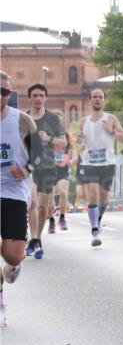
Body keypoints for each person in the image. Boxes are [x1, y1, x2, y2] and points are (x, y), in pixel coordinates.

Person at [1, 71, 37, 328]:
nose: (0, 96)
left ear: (9, 94)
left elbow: (41, 154)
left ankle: (12, 266)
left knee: (13, 256)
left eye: (4, 92)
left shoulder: (22, 121)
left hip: (14, 192)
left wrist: (26, 170)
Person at [76, 89, 123, 246]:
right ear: (90, 100)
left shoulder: (111, 118)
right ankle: (94, 231)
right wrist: (79, 139)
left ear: (104, 100)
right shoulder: (84, 121)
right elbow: (80, 140)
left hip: (107, 163)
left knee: (103, 199)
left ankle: (98, 220)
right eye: (95, 97)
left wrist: (112, 131)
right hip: (89, 163)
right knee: (92, 195)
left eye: (100, 97)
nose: (97, 99)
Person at [24, 84, 67, 259]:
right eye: (35, 95)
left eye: (41, 95)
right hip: (29, 168)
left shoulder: (53, 119)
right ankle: (34, 239)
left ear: (45, 98)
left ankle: (36, 239)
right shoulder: (24, 119)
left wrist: (49, 139)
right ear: (29, 98)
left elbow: (63, 142)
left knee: (43, 207)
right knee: (32, 203)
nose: (38, 98)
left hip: (49, 168)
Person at [51, 121, 77, 231]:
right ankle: (51, 220)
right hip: (50, 170)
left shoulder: (66, 136)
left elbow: (74, 154)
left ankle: (62, 218)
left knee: (62, 191)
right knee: (50, 195)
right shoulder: (48, 136)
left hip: (63, 169)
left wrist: (72, 161)